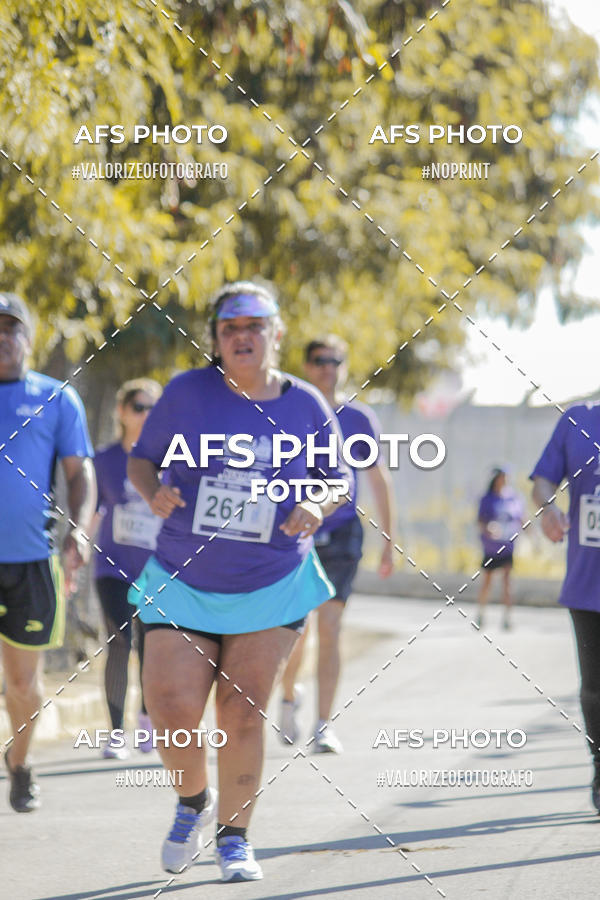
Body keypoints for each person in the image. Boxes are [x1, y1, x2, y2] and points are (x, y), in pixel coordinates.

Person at [126, 281, 352, 882]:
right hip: (182, 576)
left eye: (256, 325)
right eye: (230, 328)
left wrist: (317, 505)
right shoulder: (184, 394)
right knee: (169, 705)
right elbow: (142, 459)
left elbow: (337, 478)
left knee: (242, 712)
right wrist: (155, 492)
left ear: (276, 332)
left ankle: (234, 839)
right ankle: (193, 802)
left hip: (270, 579)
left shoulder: (305, 404)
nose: (243, 336)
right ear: (217, 339)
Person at [0, 292, 95, 812]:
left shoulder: (56, 398)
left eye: (11, 328)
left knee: (23, 683)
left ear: (29, 338)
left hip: (32, 562)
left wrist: (78, 531)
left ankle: (20, 761)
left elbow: (80, 475)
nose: (2, 337)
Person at [280, 335, 394, 753]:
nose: (327, 367)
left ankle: (323, 724)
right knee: (295, 629)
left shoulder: (359, 418)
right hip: (295, 530)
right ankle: (289, 695)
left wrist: (388, 541)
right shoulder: (290, 409)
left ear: (344, 366)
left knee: (330, 627)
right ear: (307, 365)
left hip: (344, 533)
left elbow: (379, 480)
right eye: (318, 360)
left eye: (335, 360)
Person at [531, 401, 600, 813]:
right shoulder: (578, 420)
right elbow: (542, 480)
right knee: (594, 688)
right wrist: (549, 507)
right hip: (588, 582)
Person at [91, 378, 162, 759]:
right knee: (119, 643)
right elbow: (92, 509)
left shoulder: (171, 459)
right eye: (139, 406)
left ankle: (147, 721)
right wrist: (75, 551)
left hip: (156, 571)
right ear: (122, 411)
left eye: (153, 408)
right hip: (112, 569)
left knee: (153, 649)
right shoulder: (104, 460)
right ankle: (116, 733)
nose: (146, 414)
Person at [476, 466, 524, 630]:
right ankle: (481, 614)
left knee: (507, 583)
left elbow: (520, 519)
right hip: (491, 548)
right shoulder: (487, 499)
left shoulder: (513, 498)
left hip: (508, 547)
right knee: (487, 582)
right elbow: (480, 521)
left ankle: (507, 618)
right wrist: (488, 529)